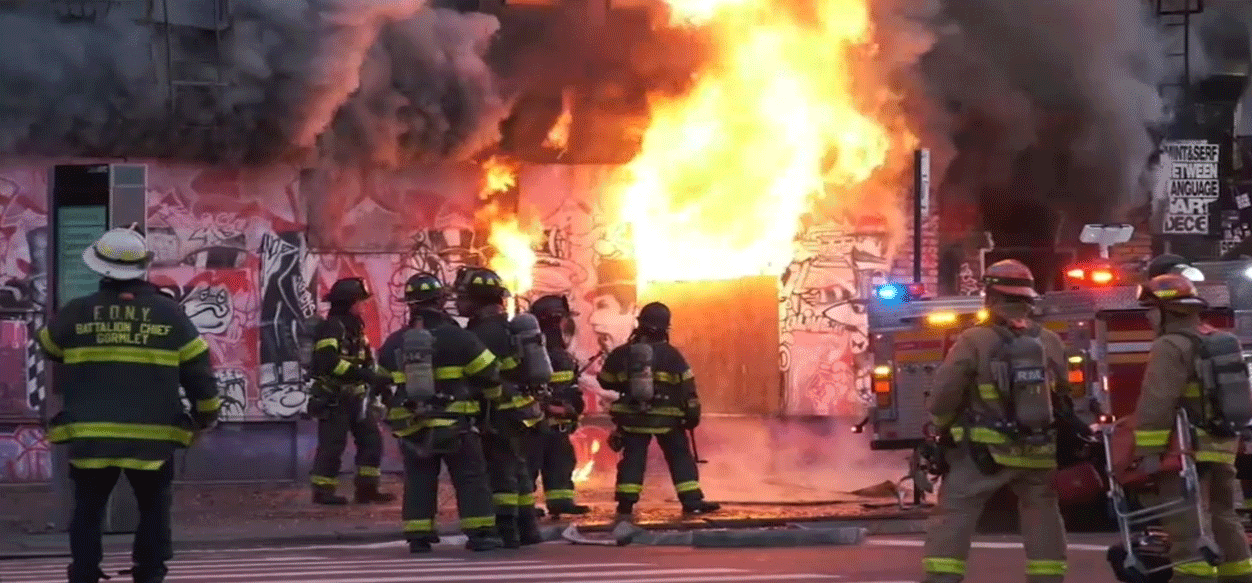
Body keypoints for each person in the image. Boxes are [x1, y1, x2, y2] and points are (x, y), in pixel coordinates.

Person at [37, 227, 219, 583]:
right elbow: (200, 376)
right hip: (152, 438)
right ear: (143, 267)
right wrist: (204, 417)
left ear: (100, 268)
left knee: (88, 510)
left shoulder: (76, 312)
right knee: (153, 509)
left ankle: (85, 572)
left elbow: (50, 347)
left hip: (91, 435)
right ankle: (149, 572)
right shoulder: (171, 315)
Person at [921, 259, 1069, 583]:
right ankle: (1048, 577)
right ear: (1027, 299)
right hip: (1038, 448)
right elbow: (1067, 394)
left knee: (956, 510)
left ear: (990, 296)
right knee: (1041, 511)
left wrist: (941, 427)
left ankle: (943, 578)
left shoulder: (974, 339)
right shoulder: (1050, 341)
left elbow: (945, 394)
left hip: (983, 452)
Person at [1133, 274, 1252, 582]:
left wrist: (1148, 452)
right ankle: (1238, 574)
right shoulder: (1215, 338)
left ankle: (1192, 577)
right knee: (1224, 515)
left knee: (1186, 521)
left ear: (1167, 311)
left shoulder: (1169, 345)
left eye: (1150, 309)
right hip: (1222, 446)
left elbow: (1156, 403)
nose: (1147, 316)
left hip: (1185, 451)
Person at [377, 272, 502, 553]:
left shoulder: (396, 341)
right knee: (470, 478)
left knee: (419, 479)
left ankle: (418, 536)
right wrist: (488, 409)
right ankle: (480, 534)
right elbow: (490, 374)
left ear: (409, 304)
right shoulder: (460, 337)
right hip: (455, 425)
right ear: (441, 300)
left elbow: (380, 379)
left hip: (412, 427)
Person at [597, 301, 720, 518]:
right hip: (668, 420)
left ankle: (625, 504)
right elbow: (687, 386)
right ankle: (692, 501)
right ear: (665, 328)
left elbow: (606, 381)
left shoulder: (622, 353)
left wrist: (625, 380)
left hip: (634, 418)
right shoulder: (672, 355)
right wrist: (692, 414)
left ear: (640, 324)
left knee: (633, 459)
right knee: (680, 457)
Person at [454, 267, 544, 547]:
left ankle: (507, 532)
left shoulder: (484, 332)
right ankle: (528, 529)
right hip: (519, 409)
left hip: (499, 411)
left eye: (463, 297)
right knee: (518, 469)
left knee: (500, 472)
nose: (458, 303)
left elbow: (484, 375)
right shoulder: (504, 325)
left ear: (478, 300)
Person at [308, 277, 396, 505]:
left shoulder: (356, 329)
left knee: (372, 441)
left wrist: (379, 381)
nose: (362, 306)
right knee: (332, 445)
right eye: (359, 302)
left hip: (358, 398)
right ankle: (323, 492)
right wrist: (363, 374)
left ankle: (367, 490)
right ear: (348, 302)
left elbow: (367, 361)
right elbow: (328, 363)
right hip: (334, 397)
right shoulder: (332, 328)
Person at [527, 295, 591, 518]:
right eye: (562, 318)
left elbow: (571, 391)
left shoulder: (560, 355)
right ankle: (524, 506)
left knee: (561, 464)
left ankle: (561, 502)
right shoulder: (535, 354)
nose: (565, 324)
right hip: (534, 426)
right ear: (555, 320)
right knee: (528, 467)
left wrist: (572, 409)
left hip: (555, 427)